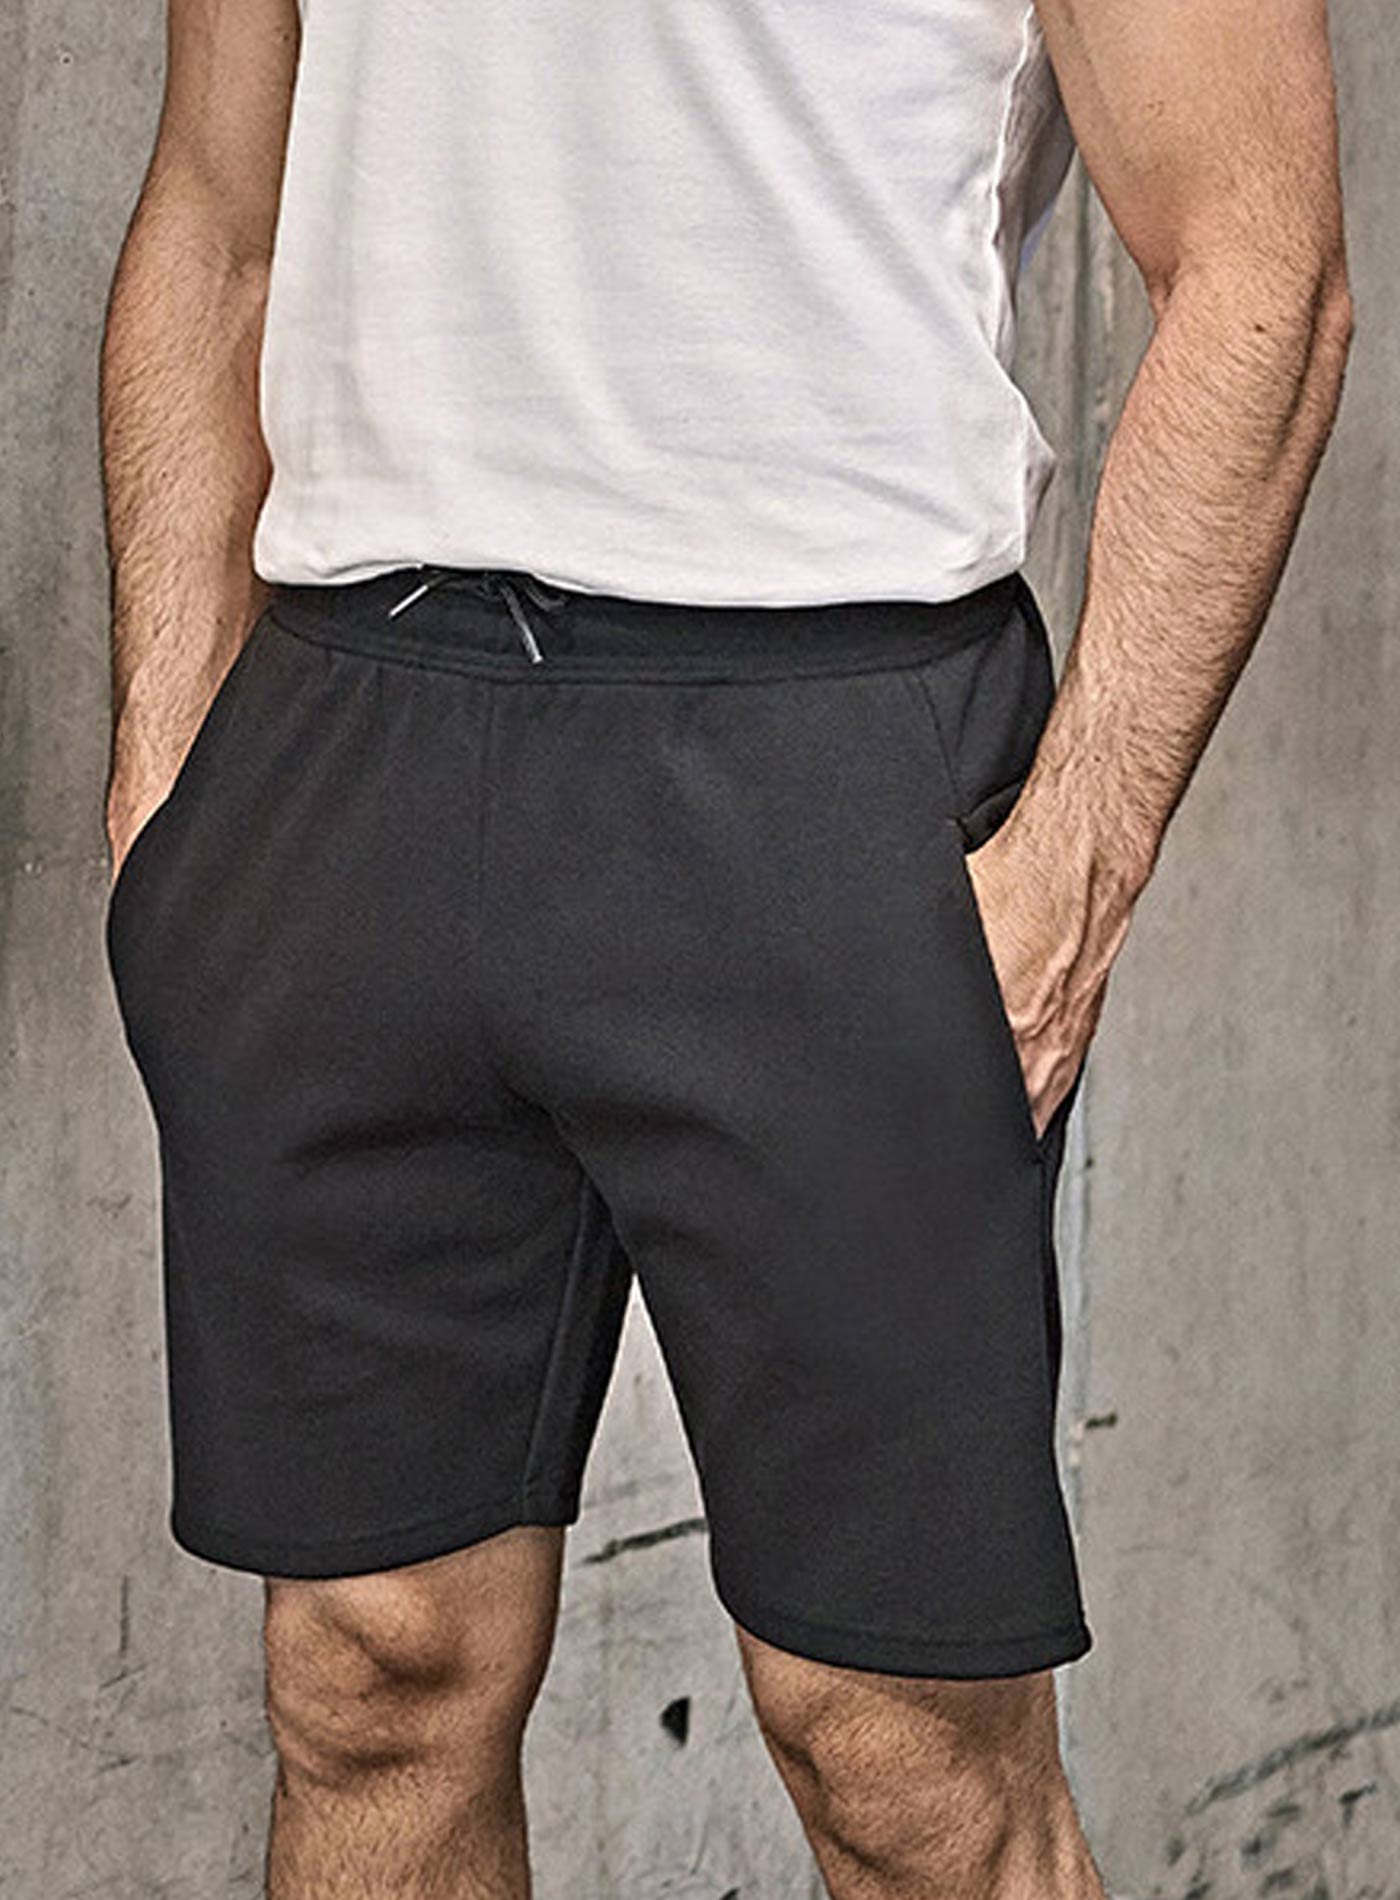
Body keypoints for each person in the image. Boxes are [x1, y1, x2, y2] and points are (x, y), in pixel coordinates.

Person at [98, 0, 1353, 1891]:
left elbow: (1263, 262)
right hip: (353, 732)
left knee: (903, 1755)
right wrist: (170, 800)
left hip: (823, 737)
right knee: (370, 1684)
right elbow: (219, 209)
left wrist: (1070, 884)